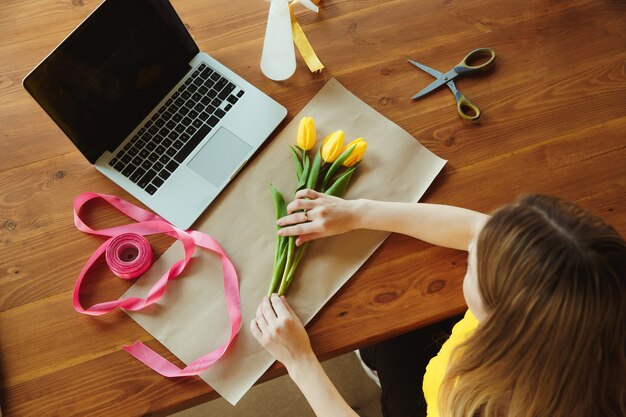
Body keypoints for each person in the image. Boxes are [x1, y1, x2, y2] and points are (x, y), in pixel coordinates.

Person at [250, 190, 626, 417]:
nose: (472, 243)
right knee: (388, 335)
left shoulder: (475, 407)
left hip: (430, 400)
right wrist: (360, 212)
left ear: (502, 327)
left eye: (472, 265)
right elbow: (475, 229)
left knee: (389, 340)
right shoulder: (590, 298)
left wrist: (299, 361)